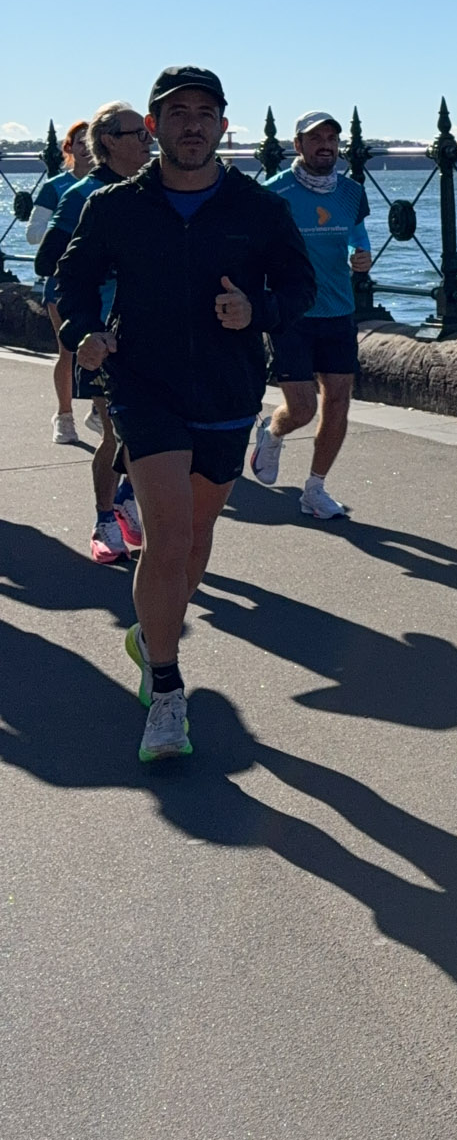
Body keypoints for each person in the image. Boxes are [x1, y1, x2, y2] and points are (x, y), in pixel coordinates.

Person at [57, 66, 316, 763]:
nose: (192, 124)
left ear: (223, 126)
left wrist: (256, 311)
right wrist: (83, 331)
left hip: (228, 391)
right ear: (153, 127)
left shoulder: (258, 208)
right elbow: (71, 278)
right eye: (177, 113)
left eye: (204, 113)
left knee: (196, 537)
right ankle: (168, 691)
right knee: (167, 537)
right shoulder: (115, 206)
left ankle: (151, 636)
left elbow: (300, 286)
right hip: (145, 385)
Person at [37, 103, 154, 562]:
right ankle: (105, 518)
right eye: (138, 134)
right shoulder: (82, 195)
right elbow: (48, 262)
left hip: (147, 330)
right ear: (109, 141)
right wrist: (104, 261)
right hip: (101, 335)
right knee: (115, 430)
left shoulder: (150, 190)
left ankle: (126, 496)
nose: (148, 141)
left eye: (148, 132)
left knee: (153, 429)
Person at [252, 108, 372, 518]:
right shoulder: (273, 193)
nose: (325, 146)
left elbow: (357, 234)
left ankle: (315, 489)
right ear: (298, 144)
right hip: (291, 311)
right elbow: (253, 248)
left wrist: (361, 254)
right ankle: (273, 430)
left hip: (338, 308)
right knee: (302, 409)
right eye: (316, 138)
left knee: (338, 400)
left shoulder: (351, 191)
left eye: (331, 139)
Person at [30, 118, 92, 445]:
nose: (87, 147)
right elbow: (33, 235)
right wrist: (68, 231)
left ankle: (100, 410)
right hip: (62, 280)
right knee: (68, 348)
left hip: (104, 281)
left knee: (112, 346)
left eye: (92, 141)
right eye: (80, 142)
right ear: (69, 147)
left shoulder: (114, 184)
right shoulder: (55, 188)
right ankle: (64, 416)